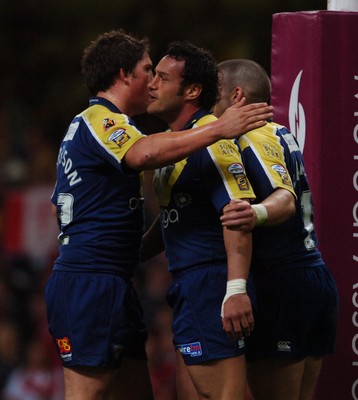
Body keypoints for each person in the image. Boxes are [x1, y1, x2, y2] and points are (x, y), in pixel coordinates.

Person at [45, 31, 273, 400]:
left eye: (160, 76)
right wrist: (220, 127)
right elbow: (143, 155)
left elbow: (60, 204)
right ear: (124, 75)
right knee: (86, 393)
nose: (151, 82)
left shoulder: (104, 128)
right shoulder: (100, 119)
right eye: (148, 70)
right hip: (91, 278)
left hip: (115, 278)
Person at [215, 59, 339, 400]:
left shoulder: (253, 137)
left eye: (214, 95)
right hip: (313, 275)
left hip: (283, 281)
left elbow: (283, 200)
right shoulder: (281, 132)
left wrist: (252, 213)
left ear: (236, 96)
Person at [142, 40, 257, 400]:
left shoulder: (213, 139)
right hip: (188, 286)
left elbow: (236, 215)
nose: (151, 84)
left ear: (192, 90)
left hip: (212, 284)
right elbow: (175, 220)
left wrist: (235, 289)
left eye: (162, 78)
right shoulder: (181, 143)